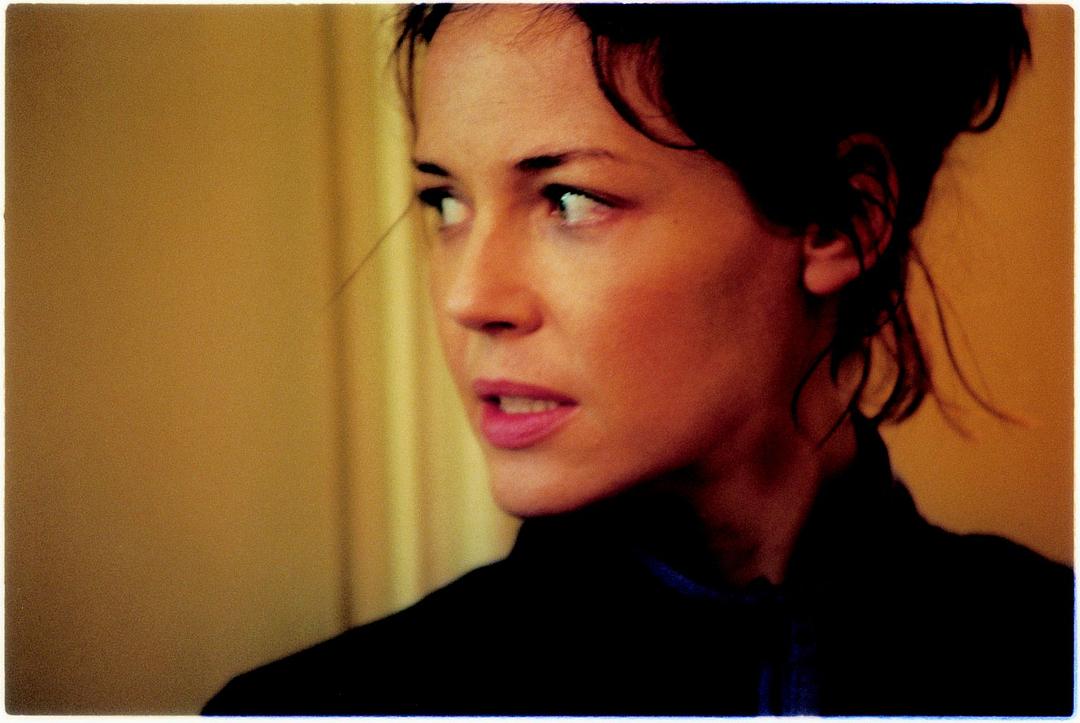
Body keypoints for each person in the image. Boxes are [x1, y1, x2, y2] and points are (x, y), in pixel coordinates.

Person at [204, 4, 1073, 716]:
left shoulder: (1050, 660)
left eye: (569, 199)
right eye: (445, 202)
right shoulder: (311, 711)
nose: (470, 297)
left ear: (841, 219)